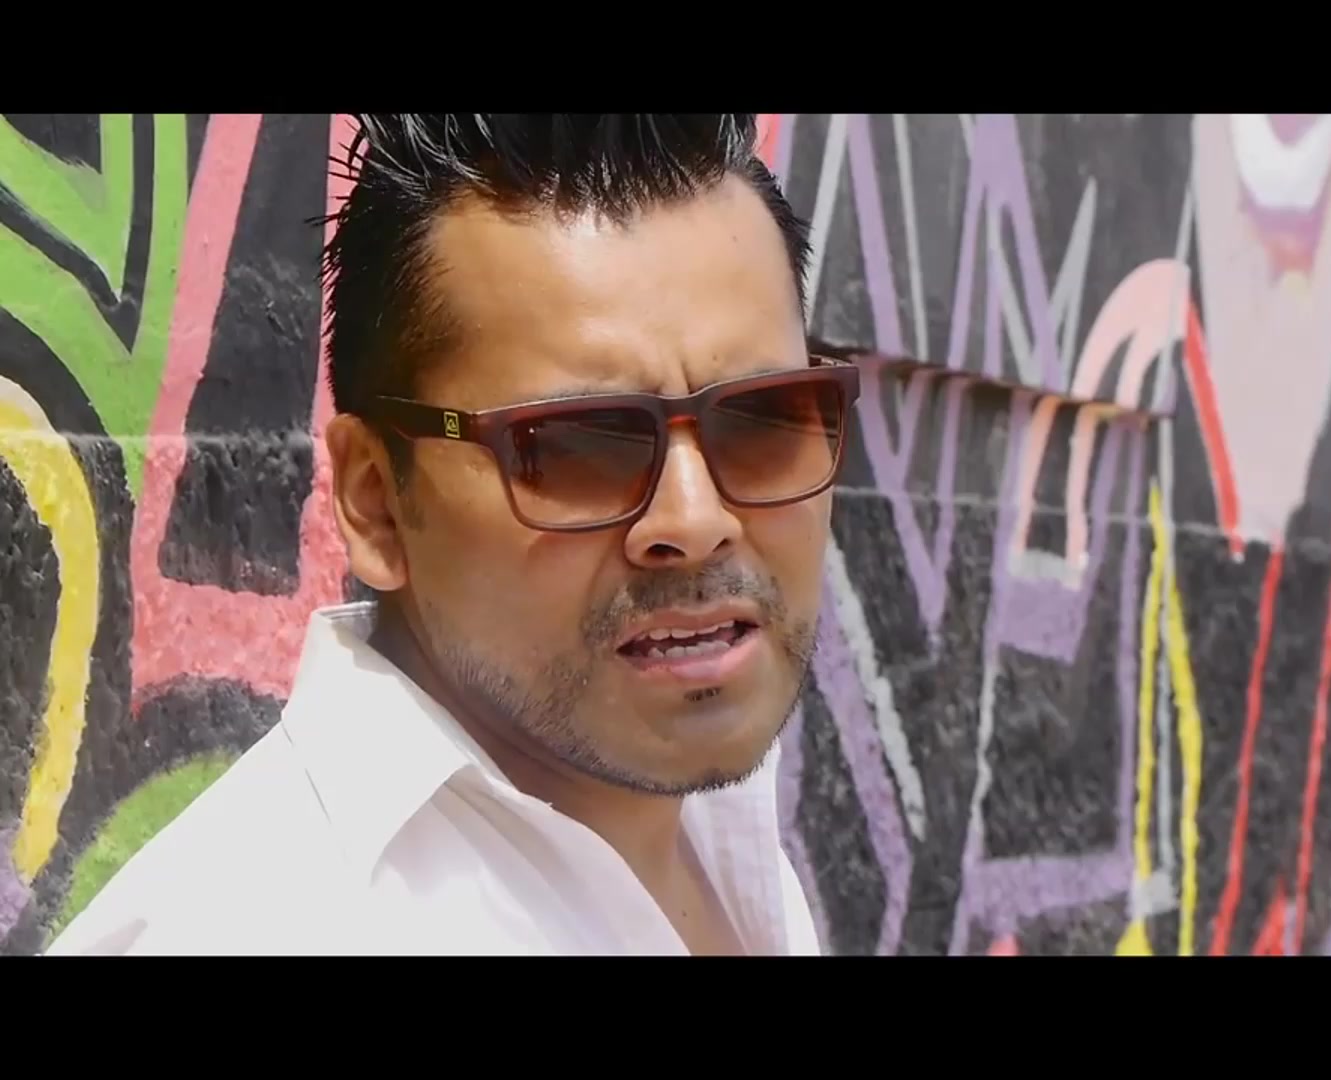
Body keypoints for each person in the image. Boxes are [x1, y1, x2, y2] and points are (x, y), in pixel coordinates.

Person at [46, 114, 851, 955]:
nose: (696, 520)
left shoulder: (722, 837)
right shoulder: (266, 930)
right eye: (575, 447)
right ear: (376, 502)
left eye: (762, 420)